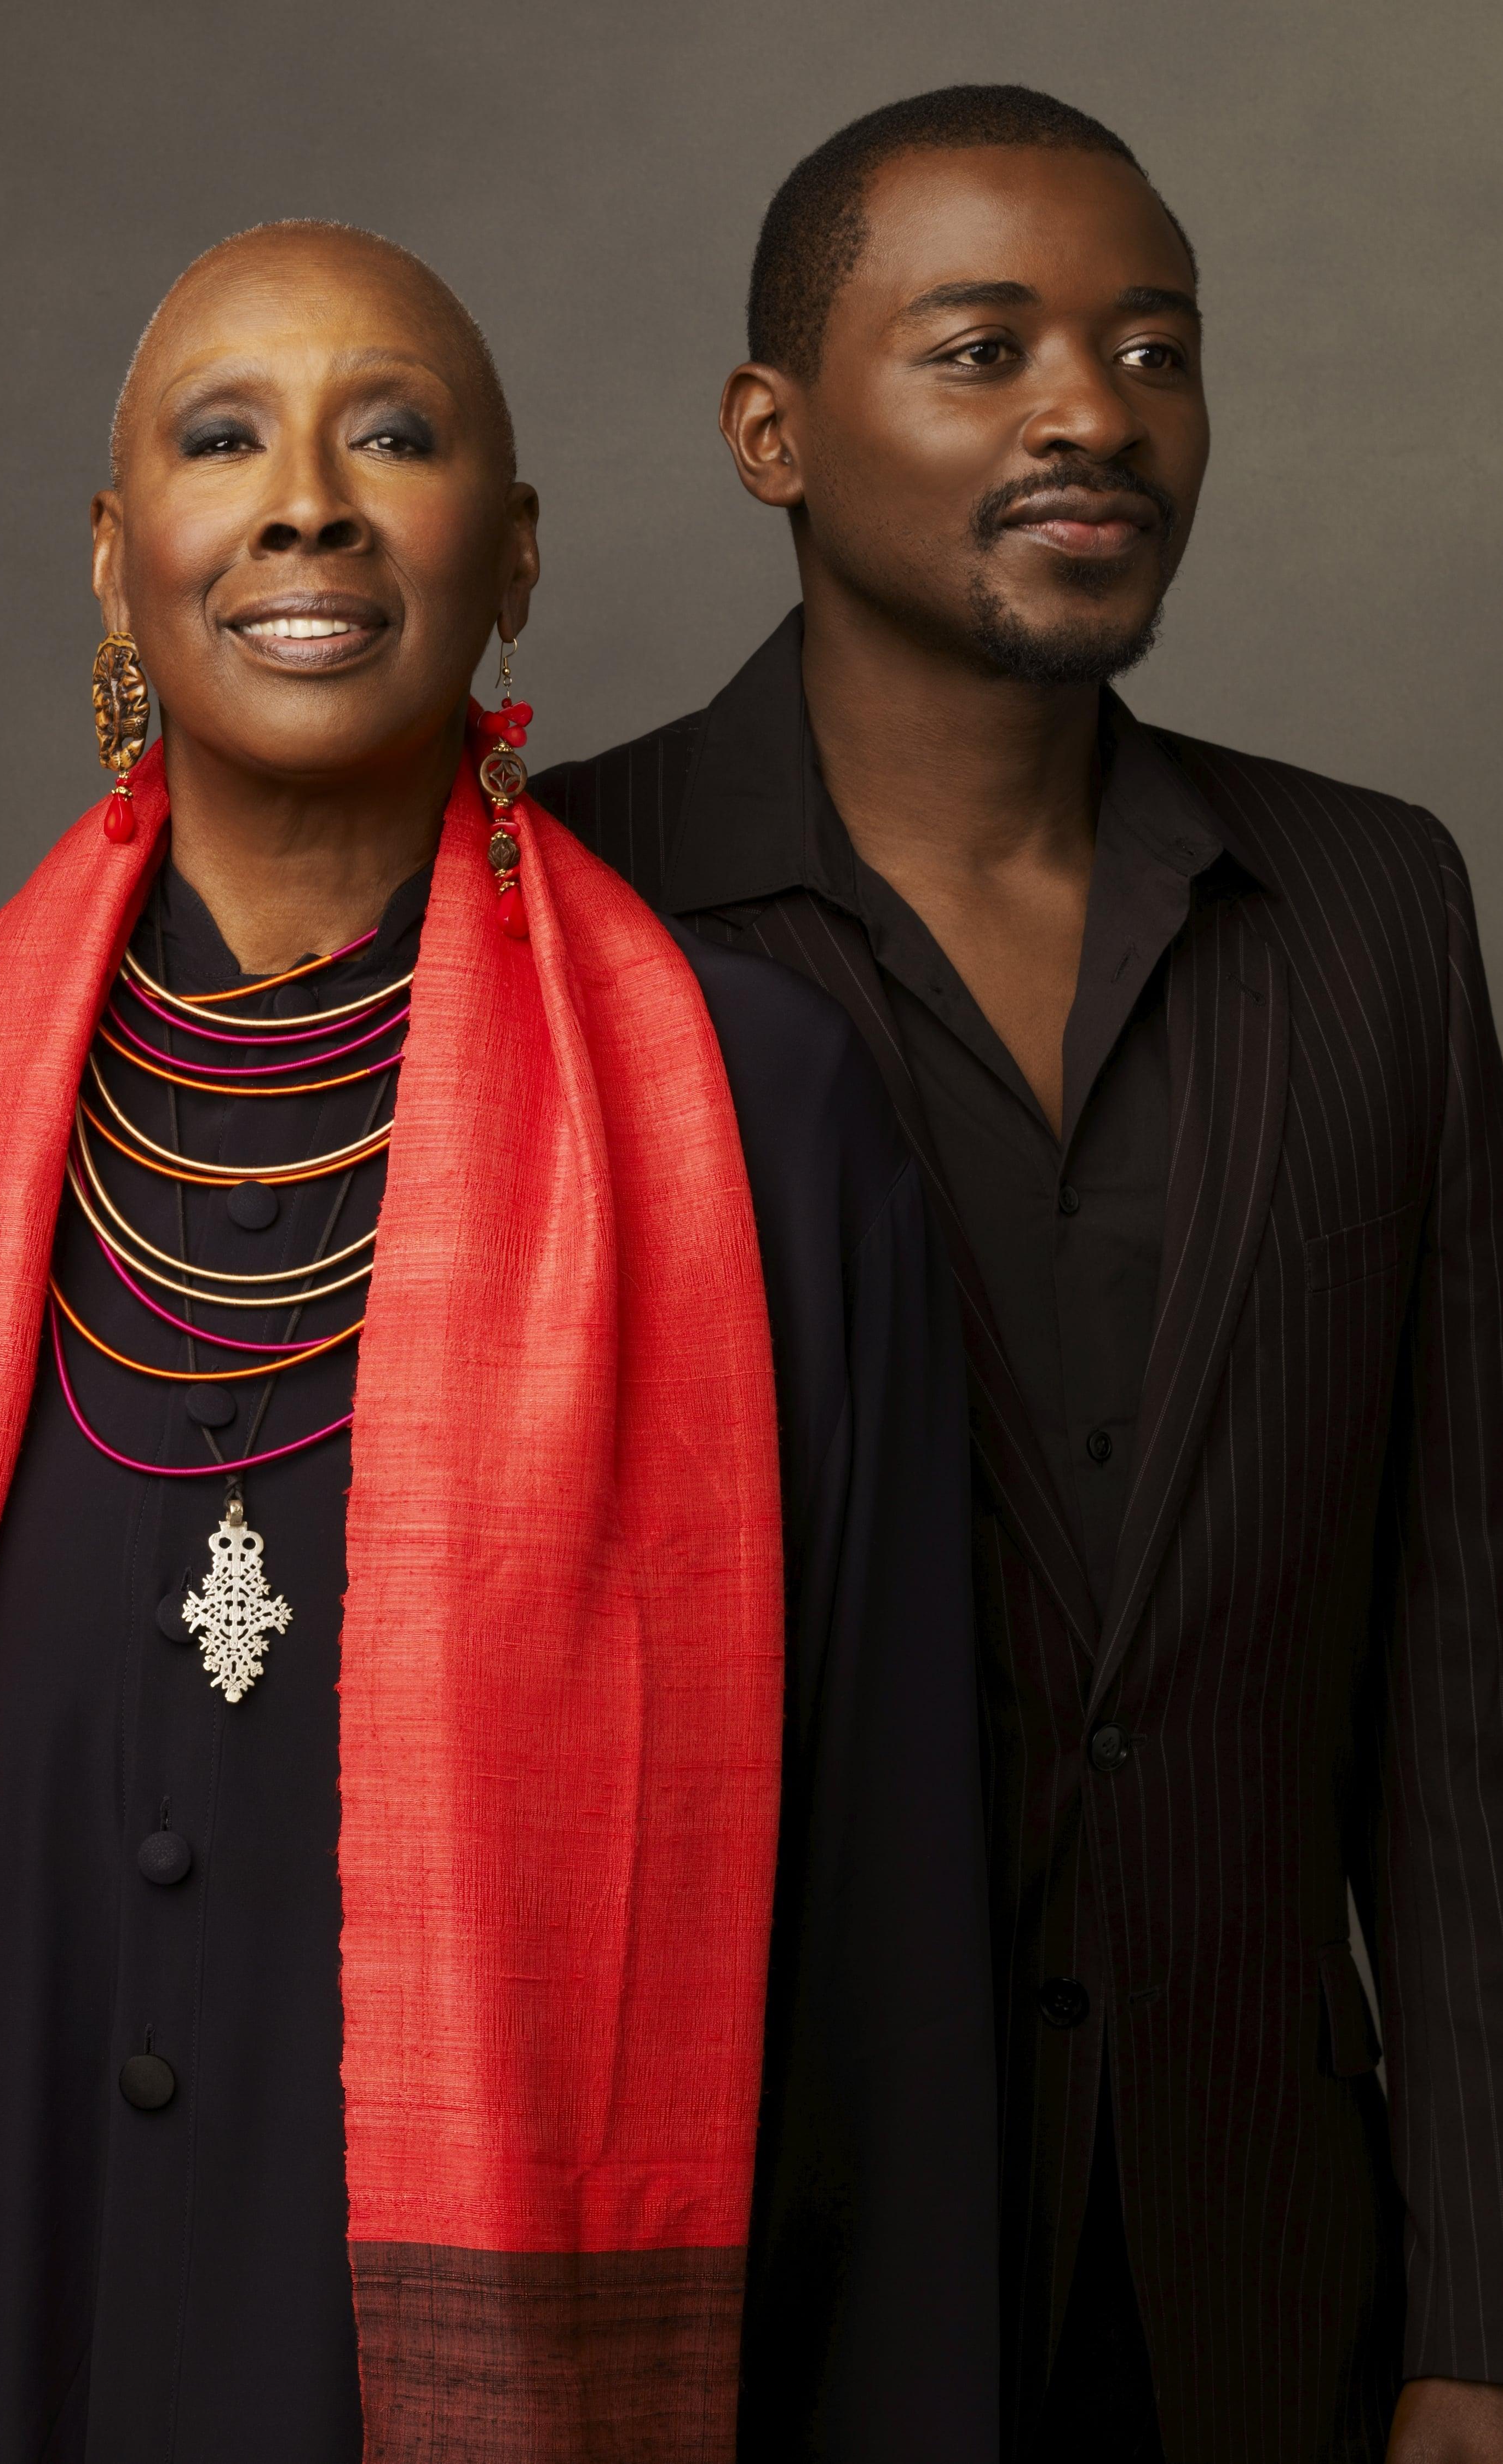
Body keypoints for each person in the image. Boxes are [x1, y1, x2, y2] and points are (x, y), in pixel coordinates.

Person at [0, 223, 995, 2463]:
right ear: (116, 558)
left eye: (392, 434)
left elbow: (890, 1969)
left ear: (517, 555)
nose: (306, 499)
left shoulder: (754, 1124)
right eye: (219, 440)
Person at [533, 85, 1503, 2464]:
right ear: (769, 431)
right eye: (982, 351)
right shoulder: (561, 916)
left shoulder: (1371, 911)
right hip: (745, 2282)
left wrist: (1474, 2330)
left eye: (1152, 348)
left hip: (1266, 2281)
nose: (1095, 410)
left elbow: (1463, 1677)